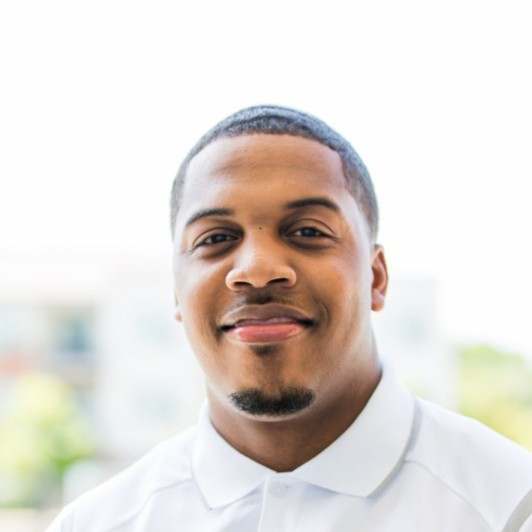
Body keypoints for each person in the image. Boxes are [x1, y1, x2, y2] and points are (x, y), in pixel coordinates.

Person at [47, 105, 532, 531]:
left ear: (376, 277)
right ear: (177, 292)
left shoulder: (511, 506)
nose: (257, 270)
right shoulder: (95, 524)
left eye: (307, 231)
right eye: (215, 239)